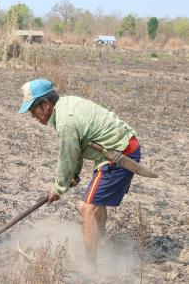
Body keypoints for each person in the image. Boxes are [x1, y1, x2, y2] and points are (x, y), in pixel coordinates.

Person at [18, 79, 141, 273]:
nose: (32, 115)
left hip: (119, 155)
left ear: (46, 104)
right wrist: (73, 175)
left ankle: (90, 267)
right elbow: (79, 148)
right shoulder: (66, 105)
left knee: (86, 208)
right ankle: (100, 247)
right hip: (117, 149)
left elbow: (67, 156)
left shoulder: (66, 121)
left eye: (33, 109)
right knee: (96, 203)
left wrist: (58, 188)